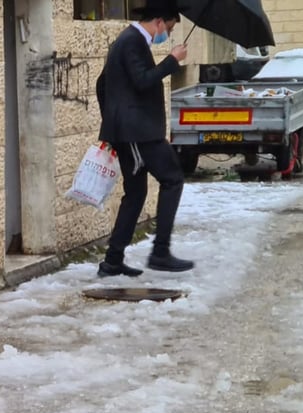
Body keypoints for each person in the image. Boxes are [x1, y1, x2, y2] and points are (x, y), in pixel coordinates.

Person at [95, 0, 195, 277]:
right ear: (160, 22)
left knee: (136, 193)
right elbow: (142, 80)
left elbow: (102, 84)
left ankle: (113, 261)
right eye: (171, 28)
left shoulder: (127, 41)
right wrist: (173, 60)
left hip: (129, 131)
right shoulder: (132, 41)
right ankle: (160, 252)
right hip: (139, 132)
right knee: (173, 178)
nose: (169, 35)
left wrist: (113, 125)